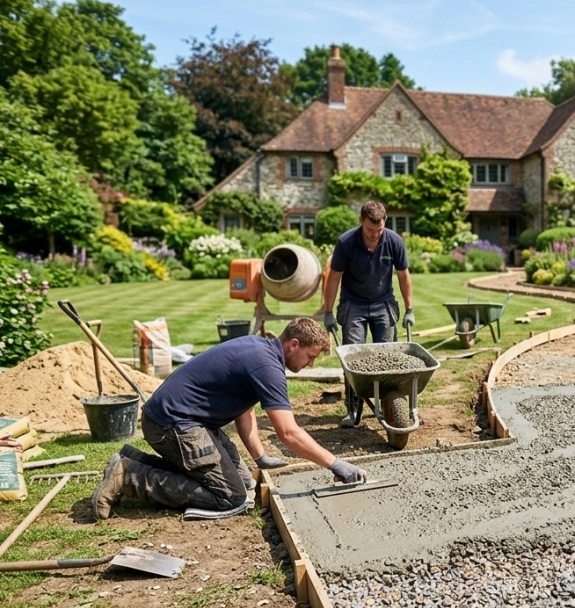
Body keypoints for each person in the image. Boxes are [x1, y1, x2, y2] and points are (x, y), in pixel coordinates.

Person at [91, 317, 368, 521]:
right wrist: (335, 464)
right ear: (293, 345)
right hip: (173, 425)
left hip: (181, 421)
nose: (311, 364)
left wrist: (260, 457)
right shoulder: (267, 366)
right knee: (230, 498)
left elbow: (243, 409)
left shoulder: (259, 348)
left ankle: (133, 461)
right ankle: (129, 477)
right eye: (310, 357)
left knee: (245, 483)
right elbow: (289, 433)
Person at [321, 200, 415, 427]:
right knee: (354, 358)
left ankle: (390, 405)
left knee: (388, 356)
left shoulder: (393, 241)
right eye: (370, 230)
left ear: (385, 223)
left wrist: (410, 309)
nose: (374, 235)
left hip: (383, 302)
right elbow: (333, 278)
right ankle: (353, 410)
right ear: (360, 221)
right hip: (354, 303)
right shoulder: (346, 242)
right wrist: (328, 311)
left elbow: (403, 276)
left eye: (379, 230)